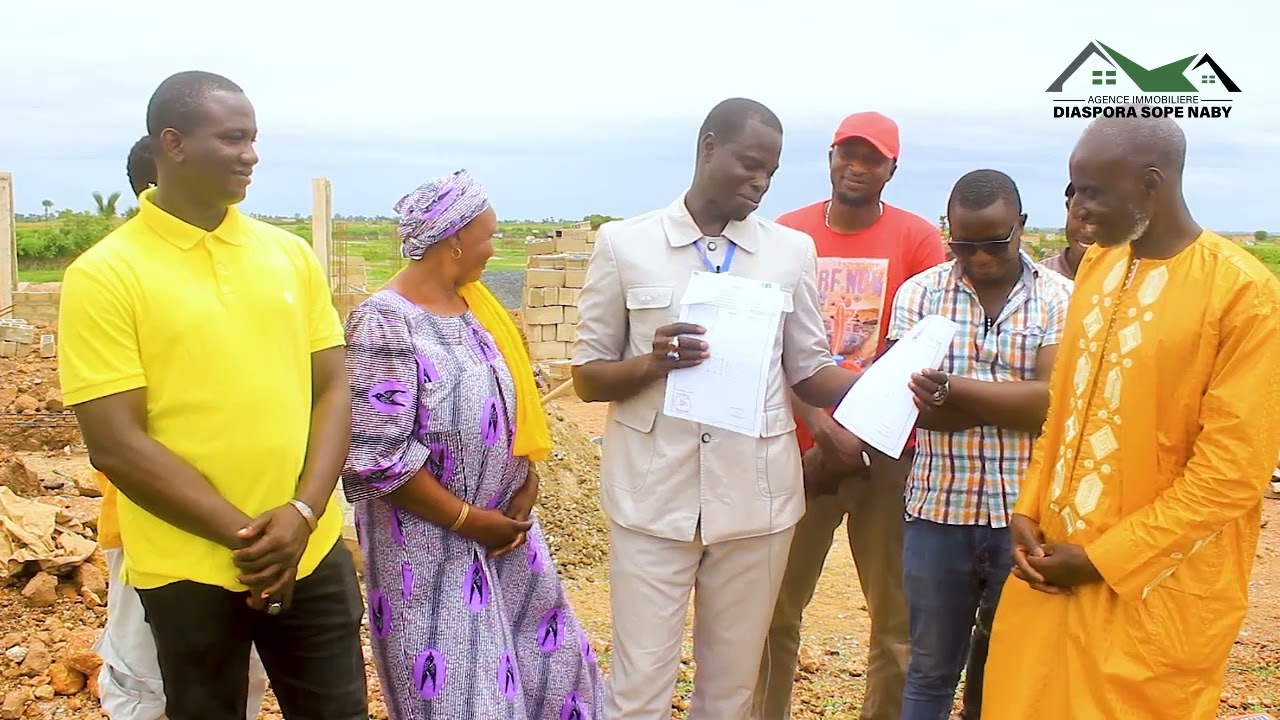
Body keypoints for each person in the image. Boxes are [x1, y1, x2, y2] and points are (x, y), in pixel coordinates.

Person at [57, 71, 367, 720]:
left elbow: (334, 386)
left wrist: (303, 516)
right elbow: (115, 443)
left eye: (253, 138)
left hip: (310, 553)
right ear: (173, 144)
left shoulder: (289, 258)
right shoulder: (106, 276)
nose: (251, 154)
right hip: (188, 569)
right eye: (232, 138)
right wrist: (251, 537)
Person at [980, 115, 1280, 718]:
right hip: (1052, 568)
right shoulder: (1098, 266)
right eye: (1074, 189)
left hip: (1155, 593)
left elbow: (1233, 474)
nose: (1079, 209)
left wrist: (1103, 560)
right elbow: (1064, 408)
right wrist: (1028, 508)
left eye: (1094, 191)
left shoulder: (1244, 295)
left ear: (1151, 183)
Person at [571, 97, 861, 720]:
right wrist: (651, 364)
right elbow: (588, 377)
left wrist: (885, 386)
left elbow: (808, 370)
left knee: (730, 693)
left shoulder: (790, 253)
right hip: (653, 500)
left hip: (757, 502)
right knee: (639, 685)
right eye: (749, 164)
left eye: (772, 173)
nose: (760, 183)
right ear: (708, 148)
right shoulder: (626, 244)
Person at [341, 169, 605, 719]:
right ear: (453, 239)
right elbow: (375, 455)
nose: (494, 247)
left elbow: (512, 411)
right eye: (489, 236)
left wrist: (526, 481)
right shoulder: (384, 323)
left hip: (506, 535)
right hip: (427, 547)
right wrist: (467, 519)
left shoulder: (477, 310)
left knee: (551, 677)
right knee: (462, 694)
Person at [753, 111, 945, 720]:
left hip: (887, 455)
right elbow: (770, 344)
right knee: (774, 613)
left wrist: (851, 432)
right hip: (799, 453)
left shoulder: (918, 240)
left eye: (873, 158)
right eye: (848, 154)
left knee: (895, 620)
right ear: (831, 157)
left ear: (892, 168)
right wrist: (818, 424)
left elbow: (916, 348)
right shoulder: (788, 235)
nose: (858, 167)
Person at [90, 135, 269, 720]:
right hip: (156, 528)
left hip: (252, 523)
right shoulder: (118, 278)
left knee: (234, 676)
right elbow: (118, 438)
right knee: (147, 674)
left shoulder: (257, 268)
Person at [893, 170, 1071, 720]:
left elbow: (1049, 408)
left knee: (1003, 671)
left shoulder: (1061, 298)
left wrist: (951, 390)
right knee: (929, 670)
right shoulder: (919, 293)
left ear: (1021, 225)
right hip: (937, 511)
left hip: (1024, 513)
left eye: (994, 242)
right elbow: (911, 411)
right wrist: (1006, 401)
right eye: (963, 243)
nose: (979, 256)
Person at [1040, 182, 1095, 280]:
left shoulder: (1127, 283)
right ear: (1068, 207)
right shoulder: (1037, 282)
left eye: (1102, 221)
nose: (1088, 231)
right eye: (1081, 216)